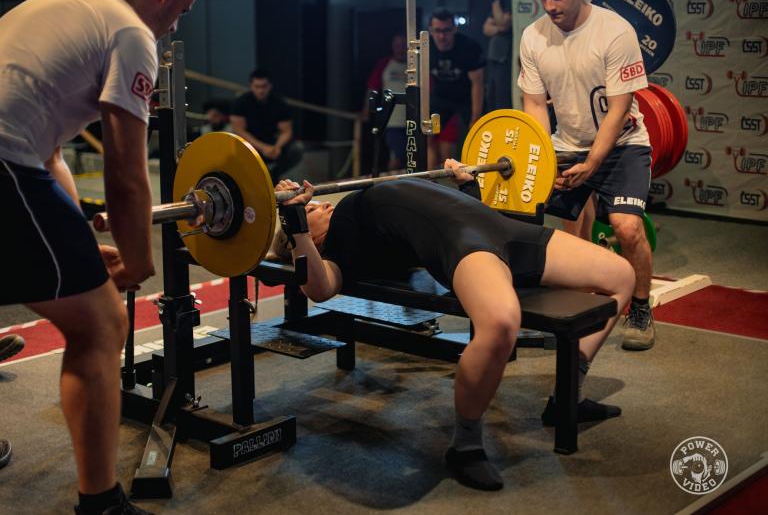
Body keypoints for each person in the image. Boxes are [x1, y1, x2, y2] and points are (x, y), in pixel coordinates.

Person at [0, 0, 201, 512]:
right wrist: (139, 260)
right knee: (101, 325)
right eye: (182, 12)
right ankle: (102, 505)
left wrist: (76, 239)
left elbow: (50, 155)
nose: (173, 28)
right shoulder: (131, 32)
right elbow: (126, 173)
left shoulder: (62, 5)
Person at [271, 159, 635, 491]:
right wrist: (294, 221)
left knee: (621, 276)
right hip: (465, 244)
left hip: (500, 227)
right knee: (500, 323)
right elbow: (318, 287)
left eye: (314, 205)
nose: (323, 205)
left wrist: (467, 186)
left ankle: (568, 395)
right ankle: (466, 445)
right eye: (313, 210)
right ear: (306, 240)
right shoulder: (338, 248)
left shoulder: (354, 227)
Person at [518, 0, 656, 351]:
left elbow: (619, 108)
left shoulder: (616, 32)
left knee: (626, 228)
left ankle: (640, 308)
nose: (549, 6)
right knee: (560, 229)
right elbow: (535, 104)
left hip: (623, 144)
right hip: (567, 144)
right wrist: (544, 158)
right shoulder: (533, 36)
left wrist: (593, 162)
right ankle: (569, 308)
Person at [428, 7, 486, 169]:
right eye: (438, 31)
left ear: (454, 29)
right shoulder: (425, 48)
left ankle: (476, 175)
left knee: (479, 134)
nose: (442, 36)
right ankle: (427, 179)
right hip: (440, 96)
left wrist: (475, 117)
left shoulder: (469, 47)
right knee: (425, 134)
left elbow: (478, 84)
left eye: (446, 30)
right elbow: (420, 82)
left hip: (466, 97)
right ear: (431, 30)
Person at [231, 68, 303, 183]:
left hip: (271, 142)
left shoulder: (279, 103)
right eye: (257, 87)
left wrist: (277, 147)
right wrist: (263, 147)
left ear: (270, 86)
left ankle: (272, 175)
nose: (261, 90)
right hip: (249, 143)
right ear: (251, 86)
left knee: (296, 149)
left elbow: (286, 131)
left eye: (264, 86)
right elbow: (239, 131)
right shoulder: (241, 103)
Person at [365, 33, 407, 172]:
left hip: (412, 120)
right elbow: (372, 88)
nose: (401, 49)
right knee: (398, 155)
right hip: (391, 121)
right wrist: (366, 109)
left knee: (404, 158)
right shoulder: (384, 64)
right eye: (397, 45)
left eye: (403, 45)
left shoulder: (415, 65)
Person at [483, 0, 513, 111]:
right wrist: (500, 28)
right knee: (491, 99)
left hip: (506, 58)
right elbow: (486, 28)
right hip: (494, 58)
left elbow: (503, 23)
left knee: (503, 101)